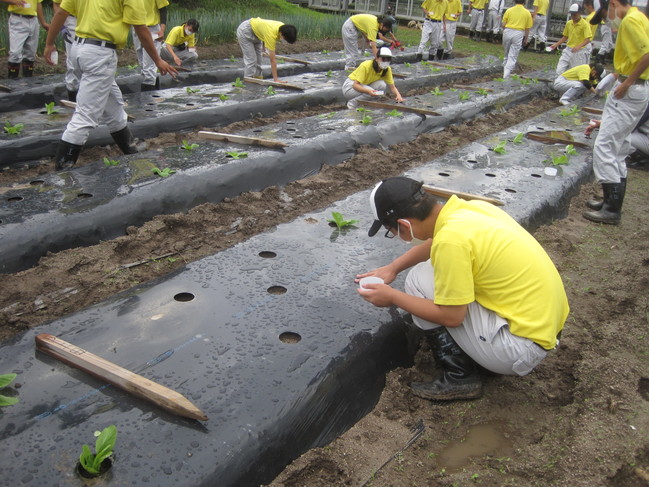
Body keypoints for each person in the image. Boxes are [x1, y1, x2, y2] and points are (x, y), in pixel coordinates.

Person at [356, 177, 569, 401]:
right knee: (427, 274)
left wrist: (392, 296)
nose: (396, 236)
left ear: (404, 224)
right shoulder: (471, 209)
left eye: (391, 231)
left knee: (417, 282)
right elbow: (435, 241)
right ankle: (480, 354)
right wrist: (394, 267)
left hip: (519, 350)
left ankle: (460, 377)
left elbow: (452, 317)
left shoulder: (451, 242)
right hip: (545, 328)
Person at [44, 0, 177, 170]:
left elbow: (61, 13)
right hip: (100, 53)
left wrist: (49, 43)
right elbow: (141, 28)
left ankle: (129, 147)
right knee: (85, 116)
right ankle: (63, 168)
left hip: (79, 49)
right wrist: (157, 60)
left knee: (113, 102)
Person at [583, 0, 649, 225]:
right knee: (619, 147)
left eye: (604, 14)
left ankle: (611, 210)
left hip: (631, 90)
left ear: (612, 4)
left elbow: (647, 54)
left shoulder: (630, 20)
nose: (606, 20)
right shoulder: (638, 16)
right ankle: (610, 202)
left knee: (605, 146)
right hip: (636, 88)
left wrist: (627, 82)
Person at [236, 17, 297, 83]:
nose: (284, 41)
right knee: (251, 60)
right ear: (281, 34)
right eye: (285, 39)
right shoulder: (271, 35)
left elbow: (264, 28)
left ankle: (258, 81)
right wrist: (276, 80)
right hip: (245, 31)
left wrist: (264, 46)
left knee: (259, 61)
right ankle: (248, 82)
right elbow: (273, 60)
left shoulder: (284, 28)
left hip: (257, 33)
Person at [4, 0, 49, 78]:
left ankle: (28, 81)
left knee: (30, 53)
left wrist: (43, 23)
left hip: (33, 20)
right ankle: (12, 82)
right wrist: (13, 1)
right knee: (15, 53)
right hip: (18, 18)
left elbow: (38, 4)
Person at [547, 4, 593, 75]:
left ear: (580, 13)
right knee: (559, 70)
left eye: (575, 14)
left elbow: (588, 39)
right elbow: (565, 36)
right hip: (568, 50)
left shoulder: (585, 24)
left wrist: (578, 47)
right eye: (572, 14)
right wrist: (556, 44)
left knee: (575, 71)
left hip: (579, 52)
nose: (573, 16)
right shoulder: (569, 23)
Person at [133, 0, 168, 91]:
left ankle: (148, 98)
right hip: (137, 27)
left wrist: (162, 30)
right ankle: (152, 92)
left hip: (152, 28)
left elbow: (163, 9)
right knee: (142, 63)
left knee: (150, 64)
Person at [52, 0, 78, 101]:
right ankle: (73, 97)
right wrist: (62, 26)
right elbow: (57, 4)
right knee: (73, 62)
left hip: (93, 21)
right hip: (72, 20)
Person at [501, 0, 532, 79]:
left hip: (507, 31)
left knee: (506, 53)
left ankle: (505, 68)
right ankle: (506, 75)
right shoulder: (527, 13)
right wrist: (526, 38)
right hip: (518, 33)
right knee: (513, 55)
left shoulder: (509, 10)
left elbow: (503, 24)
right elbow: (527, 28)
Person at [582, 0, 598, 65]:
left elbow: (585, 32)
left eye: (586, 8)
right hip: (590, 42)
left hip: (585, 43)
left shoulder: (589, 18)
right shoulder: (597, 15)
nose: (586, 10)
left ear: (590, 6)